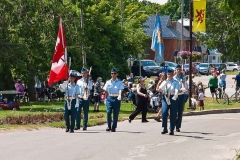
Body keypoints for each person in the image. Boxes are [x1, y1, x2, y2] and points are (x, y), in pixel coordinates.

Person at [158, 68, 180, 135]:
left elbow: (176, 89)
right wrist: (163, 84)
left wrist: (176, 94)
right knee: (164, 112)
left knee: (173, 114)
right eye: (168, 74)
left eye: (170, 74)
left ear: (173, 74)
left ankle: (172, 129)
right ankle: (165, 128)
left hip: (173, 98)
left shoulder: (176, 82)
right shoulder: (165, 81)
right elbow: (160, 88)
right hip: (166, 98)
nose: (169, 75)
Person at [103, 68, 124, 132]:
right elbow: (106, 91)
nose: (113, 75)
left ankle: (114, 127)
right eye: (112, 73)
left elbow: (120, 89)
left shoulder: (119, 82)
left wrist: (120, 95)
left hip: (116, 98)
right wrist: (105, 99)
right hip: (109, 98)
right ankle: (109, 126)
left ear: (117, 74)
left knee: (115, 113)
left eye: (114, 73)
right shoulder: (108, 82)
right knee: (108, 112)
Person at [174, 64, 187, 133]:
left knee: (180, 111)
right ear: (175, 70)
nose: (178, 71)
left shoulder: (183, 78)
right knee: (174, 111)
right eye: (177, 69)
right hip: (175, 95)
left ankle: (178, 126)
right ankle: (174, 123)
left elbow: (185, 88)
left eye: (179, 69)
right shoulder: (173, 78)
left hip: (181, 95)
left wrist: (181, 89)